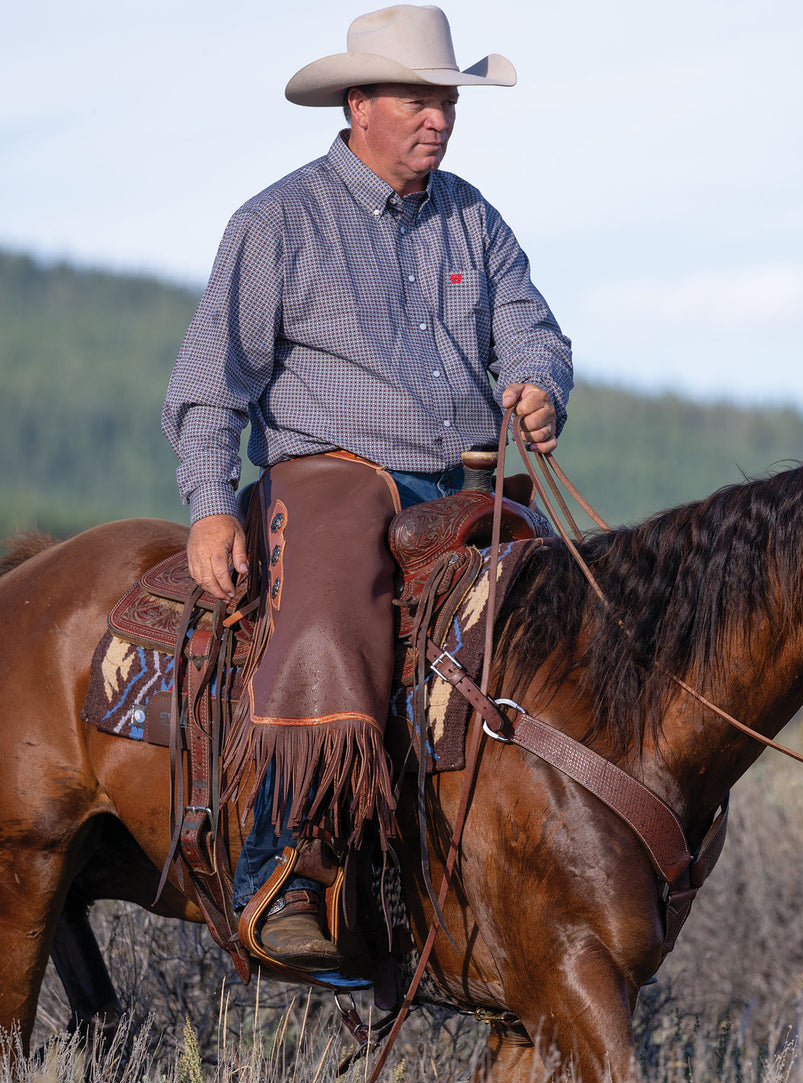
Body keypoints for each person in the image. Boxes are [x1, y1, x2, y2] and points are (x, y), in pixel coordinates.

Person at [163, 5, 573, 971]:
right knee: (337, 599)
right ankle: (284, 864)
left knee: (560, 615)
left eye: (447, 102)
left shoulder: (474, 216)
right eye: (418, 99)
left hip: (461, 479)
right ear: (359, 104)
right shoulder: (279, 222)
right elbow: (208, 380)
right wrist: (211, 505)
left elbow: (533, 330)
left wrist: (539, 388)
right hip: (332, 469)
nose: (438, 118)